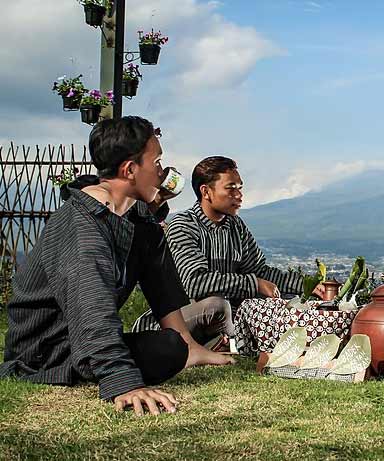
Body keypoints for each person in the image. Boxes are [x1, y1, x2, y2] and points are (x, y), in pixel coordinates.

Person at [0, 116, 233, 415]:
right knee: (159, 351)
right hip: (46, 352)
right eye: (157, 162)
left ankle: (187, 347)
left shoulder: (132, 218)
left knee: (172, 347)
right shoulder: (81, 226)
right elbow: (92, 308)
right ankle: (106, 367)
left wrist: (188, 345)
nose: (162, 171)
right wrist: (123, 382)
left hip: (79, 341)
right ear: (130, 170)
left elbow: (159, 279)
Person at [131, 156, 324, 345]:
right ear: (206, 192)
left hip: (225, 318)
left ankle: (229, 341)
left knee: (291, 301)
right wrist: (254, 284)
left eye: (239, 188)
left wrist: (308, 286)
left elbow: (259, 271)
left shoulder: (235, 225)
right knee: (218, 305)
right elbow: (194, 283)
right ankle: (233, 342)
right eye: (231, 189)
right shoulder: (183, 226)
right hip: (181, 318)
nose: (239, 195)